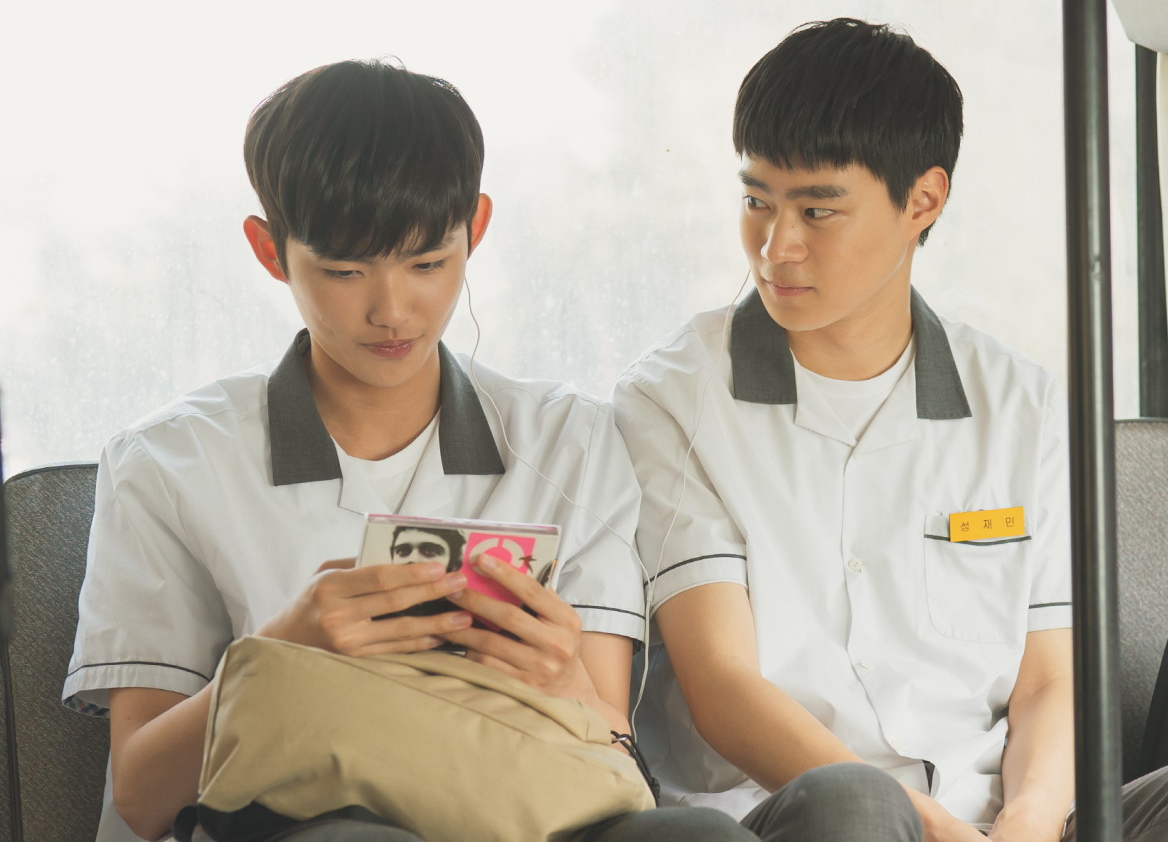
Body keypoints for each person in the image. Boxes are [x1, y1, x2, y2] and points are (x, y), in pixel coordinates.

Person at [613, 18, 1168, 842]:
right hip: (793, 819)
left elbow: (1050, 682)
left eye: (817, 209)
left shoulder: (1024, 405)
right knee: (860, 805)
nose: (776, 245)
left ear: (922, 200)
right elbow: (720, 684)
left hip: (1006, 823)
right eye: (757, 200)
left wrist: (1030, 820)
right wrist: (937, 830)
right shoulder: (673, 399)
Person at [63, 60, 746, 842]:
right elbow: (141, 794)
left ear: (474, 229)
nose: (393, 309)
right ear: (269, 250)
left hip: (524, 812)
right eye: (344, 270)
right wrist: (282, 655)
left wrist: (568, 681)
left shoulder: (570, 441)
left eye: (427, 263)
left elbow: (610, 759)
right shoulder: (168, 464)